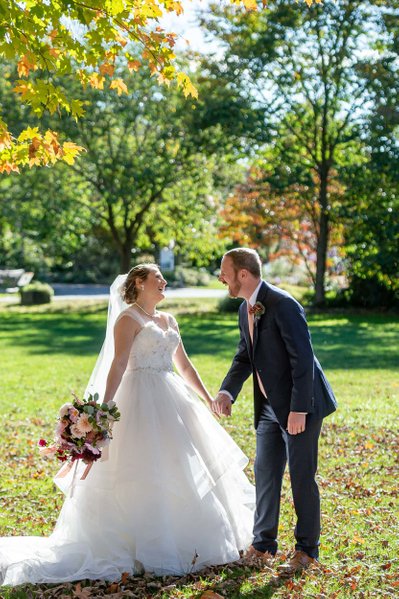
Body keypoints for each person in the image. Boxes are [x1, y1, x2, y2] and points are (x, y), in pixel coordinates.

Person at [0, 264, 254, 587]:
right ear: (139, 283)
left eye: (163, 278)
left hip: (172, 400)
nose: (163, 281)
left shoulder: (169, 320)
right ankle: (143, 545)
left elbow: (185, 366)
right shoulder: (128, 319)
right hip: (138, 401)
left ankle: (187, 538)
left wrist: (207, 398)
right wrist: (101, 412)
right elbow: (118, 365)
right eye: (156, 278)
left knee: (182, 467)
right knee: (140, 470)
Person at [213, 248, 337, 575]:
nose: (220, 276)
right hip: (268, 406)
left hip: (301, 405)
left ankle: (307, 551)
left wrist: (299, 409)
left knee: (300, 477)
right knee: (265, 473)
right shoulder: (245, 310)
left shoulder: (284, 305)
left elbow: (303, 360)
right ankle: (263, 544)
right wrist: (227, 391)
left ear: (243, 274)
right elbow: (245, 356)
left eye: (224, 270)